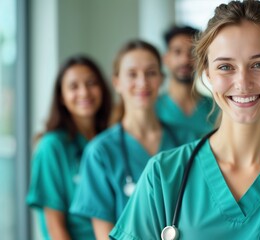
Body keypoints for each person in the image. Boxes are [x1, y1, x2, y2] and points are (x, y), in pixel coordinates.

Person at [109, 1, 260, 239]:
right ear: (206, 72)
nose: (243, 83)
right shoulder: (163, 176)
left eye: (259, 64)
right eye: (226, 67)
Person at [70, 40, 196, 240]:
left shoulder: (189, 142)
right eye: (132, 74)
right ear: (117, 83)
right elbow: (104, 235)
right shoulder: (100, 152)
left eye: (151, 73)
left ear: (161, 79)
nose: (142, 82)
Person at [26, 55, 113, 240]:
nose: (84, 93)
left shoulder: (110, 141)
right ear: (62, 97)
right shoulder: (52, 146)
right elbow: (55, 226)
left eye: (91, 83)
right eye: (73, 86)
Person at [155, 25, 218, 138]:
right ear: (166, 59)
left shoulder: (215, 108)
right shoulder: (154, 108)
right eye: (177, 52)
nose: (185, 59)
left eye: (192, 52)